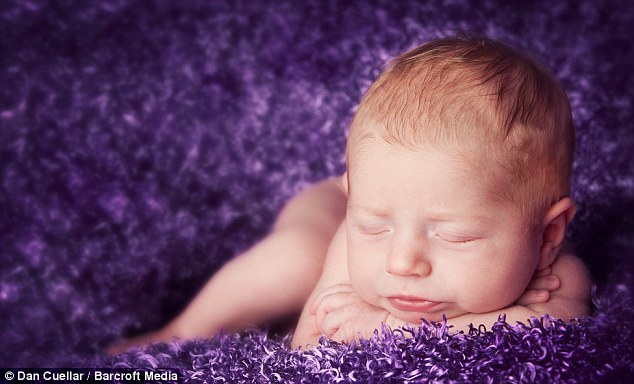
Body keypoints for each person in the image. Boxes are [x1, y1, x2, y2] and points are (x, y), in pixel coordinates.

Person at [109, 34, 591, 353]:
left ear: (547, 235)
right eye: (375, 230)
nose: (402, 263)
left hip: (376, 197)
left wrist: (382, 327)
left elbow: (542, 335)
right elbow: (306, 352)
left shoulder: (559, 277)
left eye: (456, 237)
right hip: (328, 211)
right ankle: (176, 330)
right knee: (297, 260)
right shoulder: (350, 243)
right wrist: (357, 234)